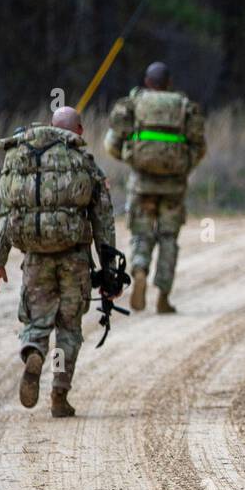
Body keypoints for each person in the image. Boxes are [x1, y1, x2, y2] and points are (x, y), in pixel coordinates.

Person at [0, 106, 115, 417]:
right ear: (79, 131)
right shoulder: (84, 162)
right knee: (69, 327)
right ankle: (59, 394)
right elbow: (103, 218)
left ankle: (34, 352)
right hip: (74, 259)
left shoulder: (24, 160)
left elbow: (11, 213)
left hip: (35, 259)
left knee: (36, 320)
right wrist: (109, 270)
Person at [103, 61, 206, 314]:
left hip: (142, 183)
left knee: (141, 233)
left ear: (148, 82)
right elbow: (199, 147)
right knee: (169, 237)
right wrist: (182, 167)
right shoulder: (184, 106)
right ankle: (164, 296)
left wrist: (132, 159)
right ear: (168, 83)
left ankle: (139, 270)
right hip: (174, 187)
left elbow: (112, 143)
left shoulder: (135, 103)